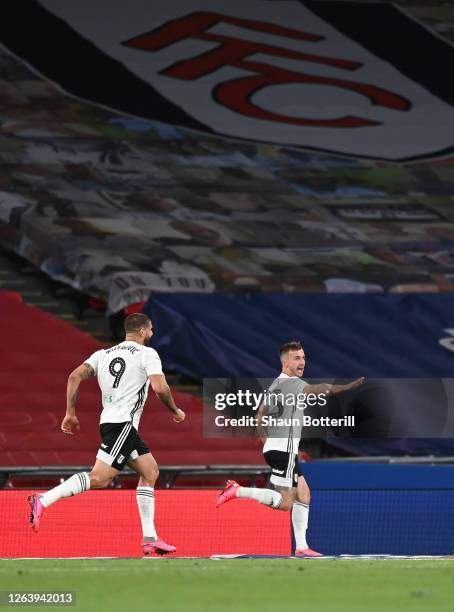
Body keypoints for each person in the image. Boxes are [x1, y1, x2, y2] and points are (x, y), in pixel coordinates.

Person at [27, 313, 186, 556]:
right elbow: (160, 387)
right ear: (142, 331)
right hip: (123, 425)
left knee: (150, 471)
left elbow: (74, 376)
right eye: (151, 329)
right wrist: (175, 410)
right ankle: (43, 500)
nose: (152, 334)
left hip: (114, 423)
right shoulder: (147, 354)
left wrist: (70, 412)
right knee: (100, 478)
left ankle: (150, 538)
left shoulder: (103, 354)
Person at [216, 340, 363, 557]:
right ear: (285, 363)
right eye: (297, 358)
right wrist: (348, 387)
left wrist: (266, 441)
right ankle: (237, 490)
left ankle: (302, 547)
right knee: (285, 503)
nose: (302, 361)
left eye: (303, 357)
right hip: (283, 452)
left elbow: (259, 416)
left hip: (282, 451)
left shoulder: (277, 384)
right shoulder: (291, 383)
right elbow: (320, 389)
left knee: (304, 494)